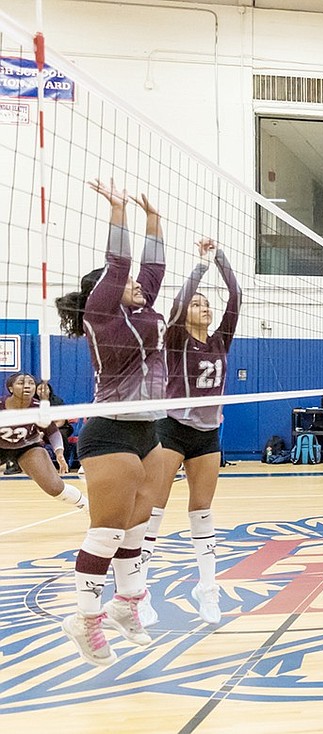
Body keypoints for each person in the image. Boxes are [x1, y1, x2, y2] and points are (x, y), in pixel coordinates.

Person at [54, 180, 166, 665]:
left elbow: (152, 268)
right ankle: (84, 617)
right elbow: (120, 266)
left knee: (137, 529)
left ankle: (126, 606)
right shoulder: (102, 314)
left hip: (148, 430)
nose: (140, 283)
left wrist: (154, 221)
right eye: (130, 282)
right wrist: (118, 212)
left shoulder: (144, 310)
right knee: (107, 530)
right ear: (106, 291)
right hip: (111, 429)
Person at [139, 237, 241, 627]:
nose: (204, 307)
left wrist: (221, 258)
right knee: (155, 508)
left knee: (202, 510)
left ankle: (208, 588)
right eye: (198, 303)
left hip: (207, 434)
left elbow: (236, 295)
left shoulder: (221, 338)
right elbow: (179, 303)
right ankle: (140, 591)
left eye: (206, 304)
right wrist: (200, 265)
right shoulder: (176, 337)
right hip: (172, 426)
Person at [0, 372, 88, 509]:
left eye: (30, 383)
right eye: (21, 383)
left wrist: (59, 453)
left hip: (27, 447)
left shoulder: (38, 408)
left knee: (54, 487)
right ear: (10, 388)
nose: (27, 386)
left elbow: (52, 432)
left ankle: (88, 507)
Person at [35, 379, 78, 471]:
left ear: (50, 390)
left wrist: (49, 430)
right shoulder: (33, 403)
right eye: (40, 389)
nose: (43, 391)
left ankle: (64, 463)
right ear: (35, 391)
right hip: (39, 429)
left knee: (61, 435)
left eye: (46, 389)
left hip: (59, 427)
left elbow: (61, 421)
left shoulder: (57, 401)